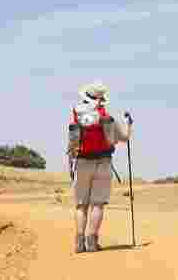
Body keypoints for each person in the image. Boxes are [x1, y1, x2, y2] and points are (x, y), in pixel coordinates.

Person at [67, 82, 132, 253]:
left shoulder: (77, 117)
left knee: (81, 205)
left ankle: (79, 243)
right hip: (103, 163)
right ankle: (92, 242)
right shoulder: (107, 118)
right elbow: (124, 138)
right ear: (101, 100)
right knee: (97, 204)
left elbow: (72, 145)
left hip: (81, 163)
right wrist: (128, 124)